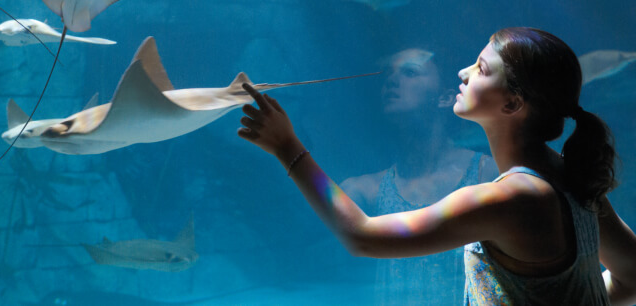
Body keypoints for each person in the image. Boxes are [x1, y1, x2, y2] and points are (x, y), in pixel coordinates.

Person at [237, 27, 636, 305]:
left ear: (513, 104)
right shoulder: (570, 177)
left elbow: (363, 236)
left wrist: (287, 146)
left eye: (481, 69)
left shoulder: (509, 198)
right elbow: (632, 275)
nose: (463, 73)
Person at [338, 47, 497, 304]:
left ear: (445, 97)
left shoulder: (488, 174)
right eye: (389, 74)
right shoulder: (362, 191)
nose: (392, 80)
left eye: (410, 72)